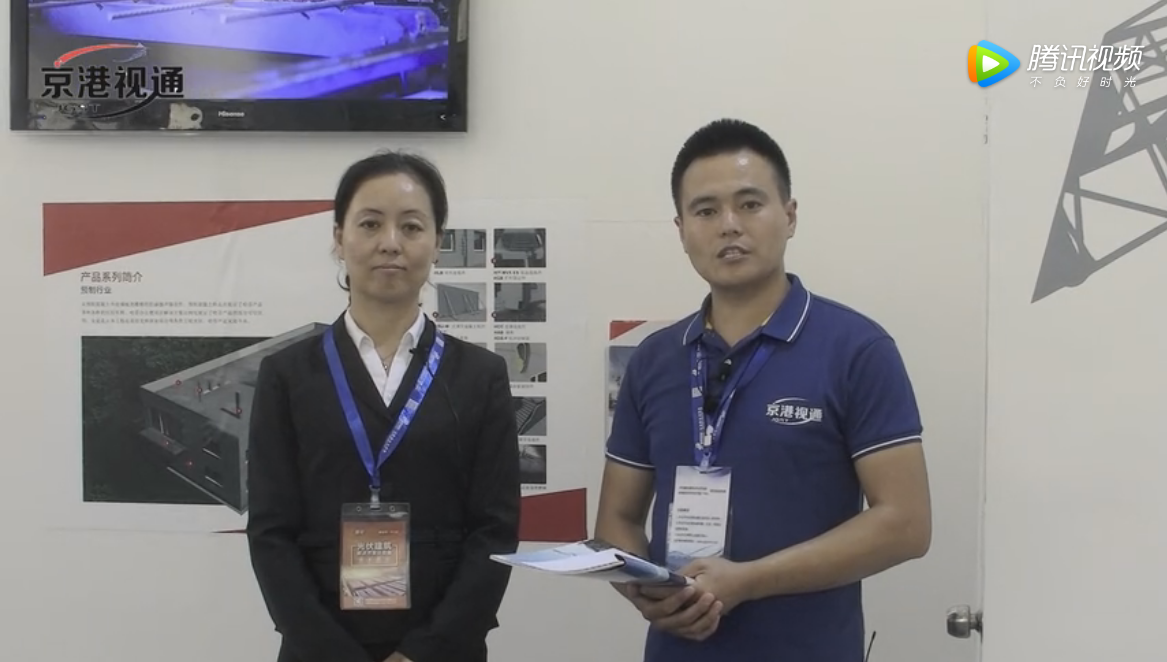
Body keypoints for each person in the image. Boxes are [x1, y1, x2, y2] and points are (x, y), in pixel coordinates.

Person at [595, 118, 933, 662]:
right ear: (681, 229)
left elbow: (906, 524)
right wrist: (645, 591)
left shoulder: (857, 349)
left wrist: (748, 581)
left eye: (749, 204)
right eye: (706, 211)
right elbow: (616, 520)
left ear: (789, 215)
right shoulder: (654, 360)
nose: (729, 225)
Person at [246, 150, 521, 662]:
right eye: (370, 223)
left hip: (444, 649)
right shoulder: (287, 375)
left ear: (437, 242)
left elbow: (494, 533)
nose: (390, 243)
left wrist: (425, 652)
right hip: (319, 649)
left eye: (411, 226)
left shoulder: (480, 376)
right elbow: (270, 532)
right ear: (339, 238)